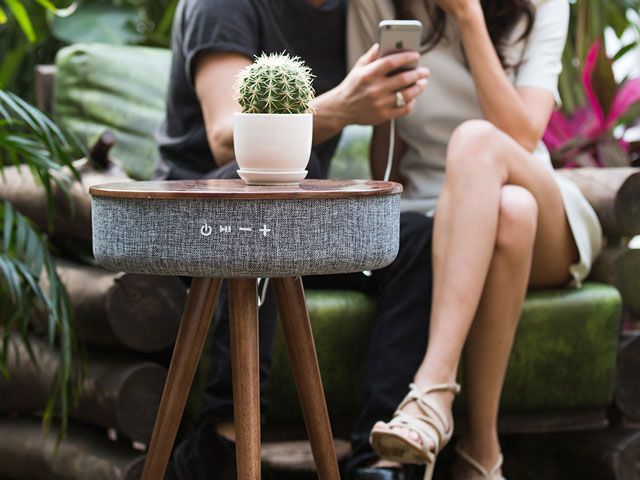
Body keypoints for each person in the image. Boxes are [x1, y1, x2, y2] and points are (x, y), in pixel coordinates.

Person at [154, 1, 436, 479]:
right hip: (198, 218)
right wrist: (343, 105)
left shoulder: (355, 10)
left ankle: (381, 462)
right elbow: (226, 135)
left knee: (416, 240)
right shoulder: (222, 6)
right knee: (264, 202)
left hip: (301, 218)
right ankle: (223, 444)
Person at [348, 0, 603, 478]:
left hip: (533, 188)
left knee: (477, 143)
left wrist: (468, 16)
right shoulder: (378, 3)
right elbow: (389, 144)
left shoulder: (546, 4)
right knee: (511, 214)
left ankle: (432, 393)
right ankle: (482, 456)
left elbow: (523, 132)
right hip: (441, 208)